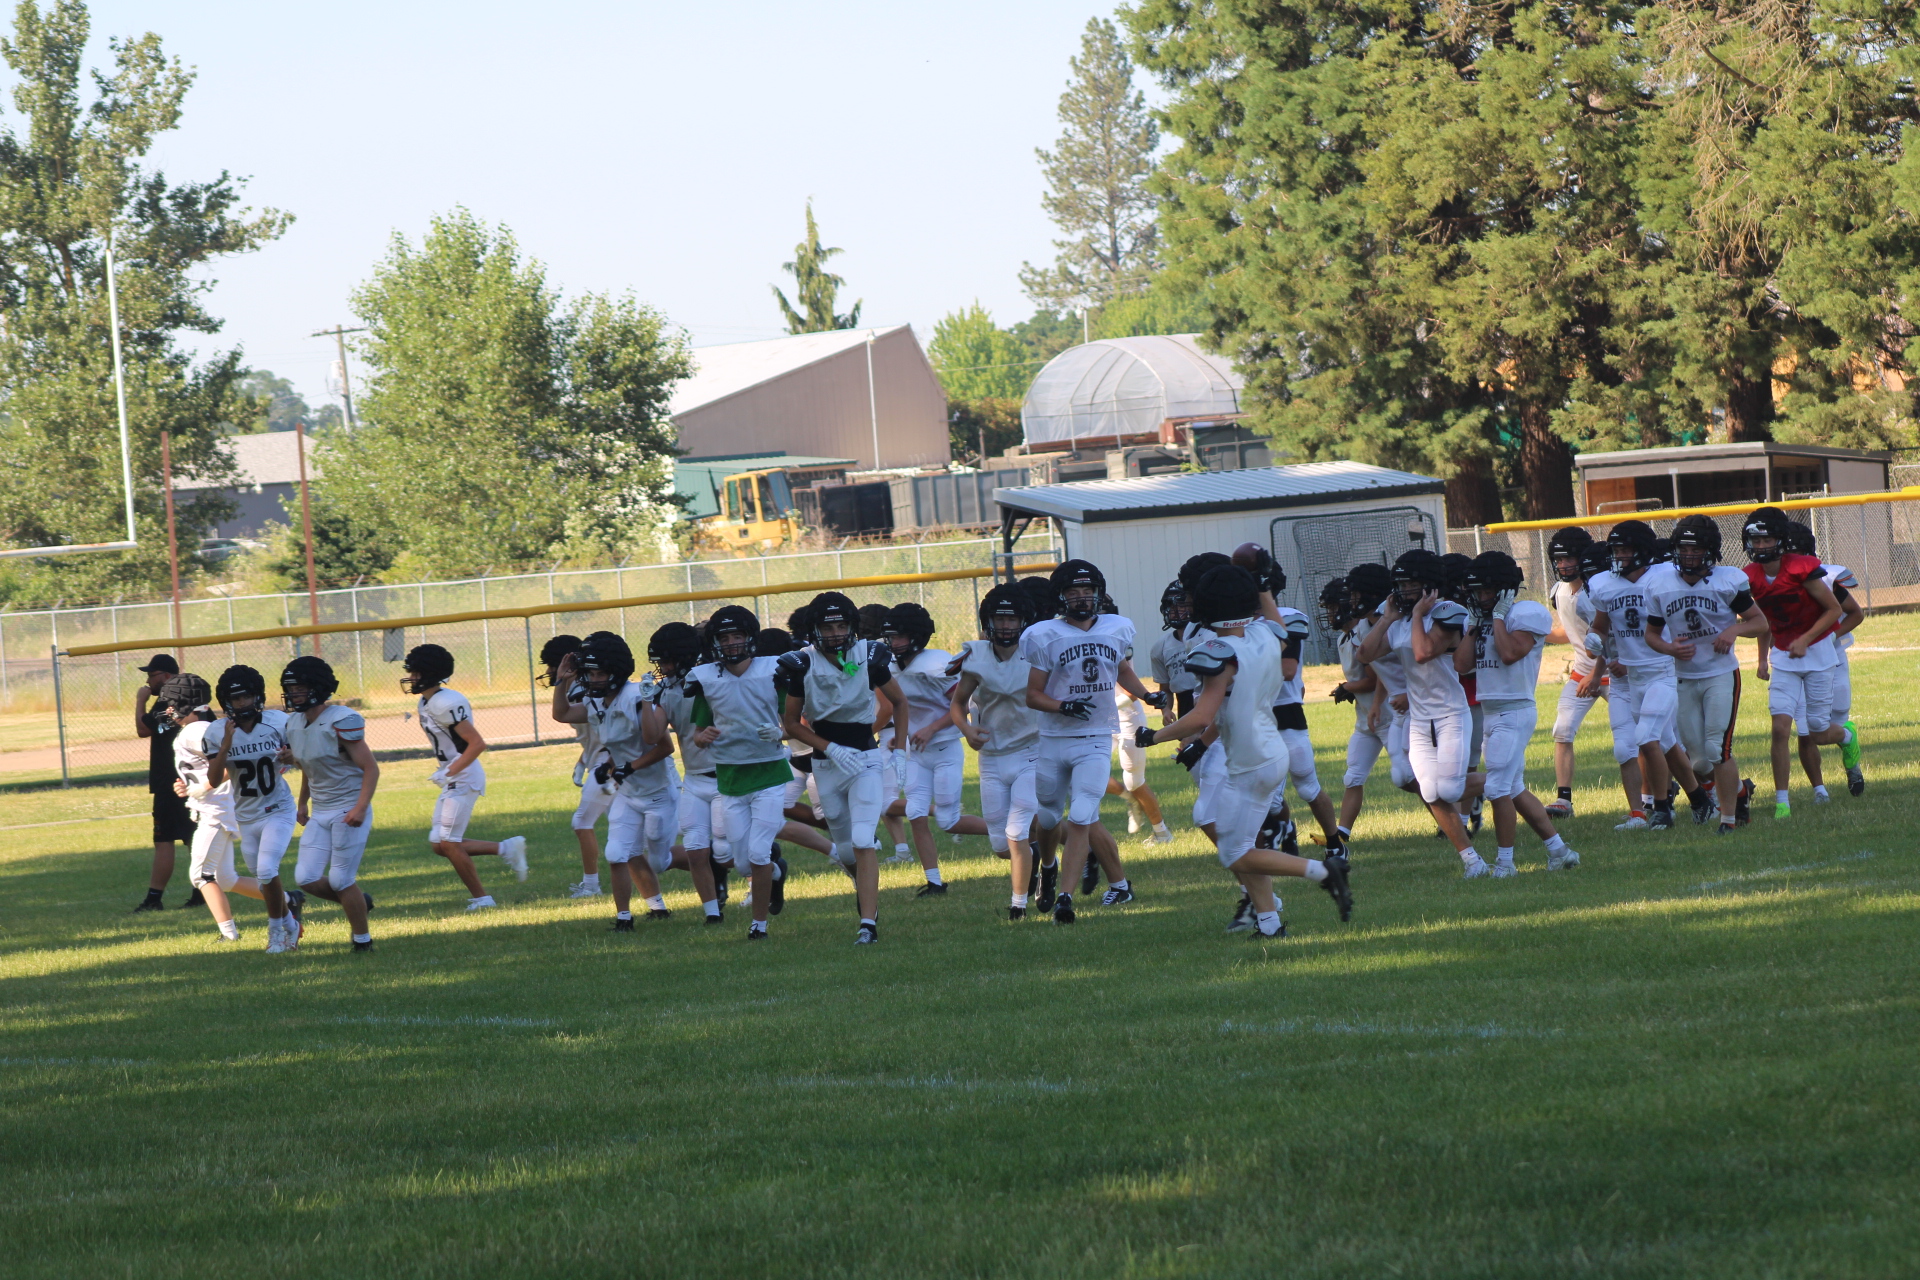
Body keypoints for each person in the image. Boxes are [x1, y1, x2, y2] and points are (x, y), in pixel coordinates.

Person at [1138, 564, 1352, 938]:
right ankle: (1270, 924)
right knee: (1233, 838)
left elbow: (1200, 716)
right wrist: (1263, 589)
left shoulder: (1216, 651)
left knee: (1235, 852)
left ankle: (1322, 871)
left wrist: (1153, 736)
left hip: (1249, 760)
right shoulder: (1265, 635)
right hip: (1271, 749)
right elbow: (1278, 632)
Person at [1021, 559, 1156, 923]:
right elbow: (1033, 695)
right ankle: (1047, 867)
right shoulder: (1043, 635)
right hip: (1053, 738)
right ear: (1061, 597)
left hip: (1096, 736)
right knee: (1048, 816)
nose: (1082, 599)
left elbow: (1122, 667)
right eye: (1074, 592)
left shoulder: (1117, 627)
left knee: (1082, 813)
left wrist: (1146, 694)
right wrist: (1063, 705)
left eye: (1088, 591)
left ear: (1098, 594)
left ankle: (1065, 898)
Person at [778, 591, 907, 944]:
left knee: (864, 838)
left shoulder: (869, 654)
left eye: (841, 625)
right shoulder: (801, 662)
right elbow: (792, 723)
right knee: (848, 850)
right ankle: (867, 896)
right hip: (825, 764)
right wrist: (829, 747)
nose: (835, 633)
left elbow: (898, 702)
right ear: (813, 629)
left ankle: (868, 925)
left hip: (865, 757)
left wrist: (901, 752)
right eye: (827, 626)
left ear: (851, 626)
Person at [1356, 551, 1489, 876]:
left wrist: (1416, 616)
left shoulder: (1449, 611)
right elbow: (1365, 653)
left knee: (1452, 790)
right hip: (1419, 717)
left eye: (1411, 583)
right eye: (1400, 583)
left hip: (1451, 713)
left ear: (1430, 585)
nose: (1404, 590)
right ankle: (1472, 861)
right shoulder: (1399, 622)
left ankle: (1505, 779)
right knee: (1430, 790)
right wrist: (1387, 618)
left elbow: (1424, 652)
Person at [1463, 552, 1582, 873]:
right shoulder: (1479, 618)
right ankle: (1559, 851)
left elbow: (1510, 652)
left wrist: (1498, 617)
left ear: (1503, 590)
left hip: (1514, 710)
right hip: (1491, 713)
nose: (1480, 598)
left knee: (1496, 788)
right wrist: (1475, 625)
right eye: (1476, 591)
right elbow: (1461, 665)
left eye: (1486, 591)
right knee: (1512, 787)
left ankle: (1505, 864)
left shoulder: (1526, 612)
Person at [553, 633, 682, 930]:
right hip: (628, 791)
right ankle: (625, 917)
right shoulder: (596, 702)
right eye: (589, 673)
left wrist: (629, 766)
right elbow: (561, 714)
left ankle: (712, 861)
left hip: (659, 789)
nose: (593, 680)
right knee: (618, 853)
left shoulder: (637, 697)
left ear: (615, 672)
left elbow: (663, 747)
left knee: (660, 861)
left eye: (599, 674)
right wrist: (562, 682)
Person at [1643, 516, 1763, 833]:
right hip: (1683, 677)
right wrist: (1670, 649)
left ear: (1710, 551)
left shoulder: (1728, 581)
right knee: (1698, 762)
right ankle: (1739, 791)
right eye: (1683, 548)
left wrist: (1734, 629)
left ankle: (1728, 818)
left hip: (1720, 674)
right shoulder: (1661, 584)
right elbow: (1651, 635)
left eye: (1695, 549)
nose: (1688, 555)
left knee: (1716, 750)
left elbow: (1759, 623)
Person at [684, 606, 793, 940]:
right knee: (744, 864)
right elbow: (698, 733)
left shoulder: (773, 671)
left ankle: (758, 925)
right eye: (724, 637)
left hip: (770, 776)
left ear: (750, 638)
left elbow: (797, 721)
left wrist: (782, 733)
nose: (731, 643)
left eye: (737, 636)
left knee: (758, 853)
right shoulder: (707, 678)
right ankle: (776, 873)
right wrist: (704, 738)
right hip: (730, 780)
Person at [1740, 507, 1856, 820]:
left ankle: (1846, 737)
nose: (1760, 545)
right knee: (1780, 728)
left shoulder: (1802, 568)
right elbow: (1761, 620)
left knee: (1817, 731)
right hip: (1783, 657)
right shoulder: (1749, 576)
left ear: (1780, 540)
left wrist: (1806, 638)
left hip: (1817, 655)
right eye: (1755, 539)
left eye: (1766, 539)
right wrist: (1761, 657)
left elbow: (1833, 610)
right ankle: (1782, 803)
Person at [1579, 521, 1694, 831]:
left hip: (1661, 670)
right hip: (1629, 681)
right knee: (1661, 742)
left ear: (1642, 552)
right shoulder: (1604, 584)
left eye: (1625, 550)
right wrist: (1594, 638)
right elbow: (1601, 627)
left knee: (1650, 738)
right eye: (1615, 550)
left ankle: (1662, 808)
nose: (1618, 556)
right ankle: (1694, 801)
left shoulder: (1664, 577)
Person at [404, 643, 526, 909]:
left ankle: (483, 899)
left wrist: (450, 771)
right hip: (453, 775)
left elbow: (477, 743)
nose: (410, 677)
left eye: (415, 672)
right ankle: (506, 848)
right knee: (439, 844)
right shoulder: (426, 701)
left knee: (448, 842)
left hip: (464, 775)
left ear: (429, 673)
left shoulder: (445, 702)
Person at [882, 602, 990, 895]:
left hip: (944, 749)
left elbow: (962, 704)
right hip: (917, 751)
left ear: (916, 637)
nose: (892, 642)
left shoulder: (936, 665)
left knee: (948, 820)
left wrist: (931, 729)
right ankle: (934, 881)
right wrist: (901, 737)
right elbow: (900, 708)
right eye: (890, 636)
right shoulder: (890, 666)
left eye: (899, 636)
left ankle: (1014, 836)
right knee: (916, 811)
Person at [951, 585, 1044, 919]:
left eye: (1012, 618)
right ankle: (1045, 856)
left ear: (1025, 621)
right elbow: (958, 704)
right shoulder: (975, 656)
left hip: (1031, 751)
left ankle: (1018, 905)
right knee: (1000, 845)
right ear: (987, 621)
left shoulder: (1038, 652)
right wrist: (966, 729)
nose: (1005, 626)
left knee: (1017, 829)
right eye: (998, 618)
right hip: (991, 757)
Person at [280, 656, 379, 950]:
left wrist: (360, 808)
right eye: (290, 688)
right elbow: (311, 765)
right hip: (322, 810)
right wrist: (302, 802)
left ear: (317, 688)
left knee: (340, 878)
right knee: (306, 878)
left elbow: (371, 768)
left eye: (299, 688)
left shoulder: (340, 720)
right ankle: (360, 903)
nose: (293, 693)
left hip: (349, 806)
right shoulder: (295, 723)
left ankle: (363, 940)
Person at [205, 666, 304, 952]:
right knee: (266, 882)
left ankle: (275, 933)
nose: (241, 704)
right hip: (246, 815)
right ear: (226, 702)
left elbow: (304, 761)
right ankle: (290, 924)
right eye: (235, 700)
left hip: (278, 809)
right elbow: (213, 780)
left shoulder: (278, 722)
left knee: (266, 870)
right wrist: (225, 745)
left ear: (258, 697)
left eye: (246, 697)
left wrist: (293, 757)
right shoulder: (216, 731)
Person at [162, 673, 264, 941]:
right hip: (213, 807)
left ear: (185, 703)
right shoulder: (196, 729)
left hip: (215, 810)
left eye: (171, 703)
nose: (168, 710)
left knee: (201, 875)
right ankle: (289, 900)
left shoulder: (196, 730)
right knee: (226, 879)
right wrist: (188, 786)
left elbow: (233, 761)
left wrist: (204, 787)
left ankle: (229, 935)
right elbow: (203, 769)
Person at [650, 622, 734, 921]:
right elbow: (653, 734)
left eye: (666, 661)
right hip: (695, 778)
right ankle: (712, 913)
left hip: (728, 774)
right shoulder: (666, 690)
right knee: (696, 849)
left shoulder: (716, 677)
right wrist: (649, 702)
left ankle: (772, 865)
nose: (662, 668)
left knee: (728, 854)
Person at [1778, 521, 1867, 800]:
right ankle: (1820, 790)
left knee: (1832, 725)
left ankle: (1848, 745)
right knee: (1805, 730)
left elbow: (1855, 613)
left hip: (1832, 657)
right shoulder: (1775, 581)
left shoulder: (1827, 576)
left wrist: (1828, 637)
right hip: (1797, 661)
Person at [1329, 563, 1397, 847]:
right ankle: (1341, 833)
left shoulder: (1366, 631)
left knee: (1410, 776)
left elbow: (1372, 678)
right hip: (1367, 718)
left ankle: (1451, 819)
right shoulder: (1343, 637)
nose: (1330, 614)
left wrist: (1346, 688)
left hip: (1389, 714)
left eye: (1333, 607)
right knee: (1353, 775)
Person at [542, 634, 611, 898]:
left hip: (610, 762)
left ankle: (592, 886)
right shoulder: (578, 688)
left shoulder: (582, 690)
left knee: (582, 821)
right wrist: (584, 758)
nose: (548, 671)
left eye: (551, 664)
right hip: (601, 760)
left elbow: (604, 728)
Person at [1541, 527, 1601, 817]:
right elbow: (1570, 631)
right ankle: (1563, 800)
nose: (1563, 564)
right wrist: (1537, 635)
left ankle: (1659, 795)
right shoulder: (1560, 591)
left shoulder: (1595, 592)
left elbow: (1606, 638)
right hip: (1582, 673)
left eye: (1569, 558)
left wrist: (1594, 675)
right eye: (1559, 559)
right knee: (1562, 730)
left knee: (1642, 739)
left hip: (1614, 673)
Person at [133, 653, 200, 911]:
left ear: (168, 676)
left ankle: (154, 899)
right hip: (193, 779)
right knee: (193, 837)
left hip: (170, 782)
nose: (149, 680)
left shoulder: (166, 702)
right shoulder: (192, 699)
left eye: (152, 675)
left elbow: (142, 729)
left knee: (164, 840)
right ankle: (202, 891)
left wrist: (140, 699)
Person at [860, 601, 913, 863]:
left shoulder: (876, 659)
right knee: (883, 799)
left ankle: (942, 811)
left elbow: (887, 708)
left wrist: (864, 734)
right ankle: (902, 850)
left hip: (892, 734)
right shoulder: (888, 654)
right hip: (892, 733)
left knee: (883, 800)